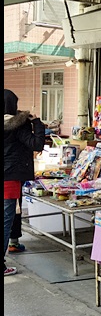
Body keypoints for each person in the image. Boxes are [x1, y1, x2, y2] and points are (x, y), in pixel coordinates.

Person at [4, 89, 45, 276]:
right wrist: (36, 122)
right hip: (9, 178)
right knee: (6, 220)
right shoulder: (17, 125)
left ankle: (13, 243)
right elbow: (37, 144)